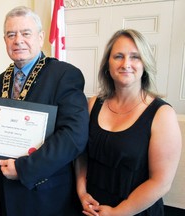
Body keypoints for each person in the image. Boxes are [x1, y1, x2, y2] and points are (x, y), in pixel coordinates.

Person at [0, 6, 89, 216]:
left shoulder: (65, 75)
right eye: (11, 34)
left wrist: (23, 169)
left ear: (40, 37)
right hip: (4, 193)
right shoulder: (0, 80)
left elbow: (74, 136)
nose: (18, 40)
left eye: (26, 33)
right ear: (5, 41)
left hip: (45, 195)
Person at [75, 29, 182, 216]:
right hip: (90, 209)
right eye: (118, 56)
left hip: (135, 211)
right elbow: (82, 156)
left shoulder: (162, 114)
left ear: (145, 64)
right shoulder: (93, 104)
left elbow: (161, 182)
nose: (126, 64)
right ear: (108, 64)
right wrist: (81, 192)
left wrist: (118, 213)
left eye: (135, 57)